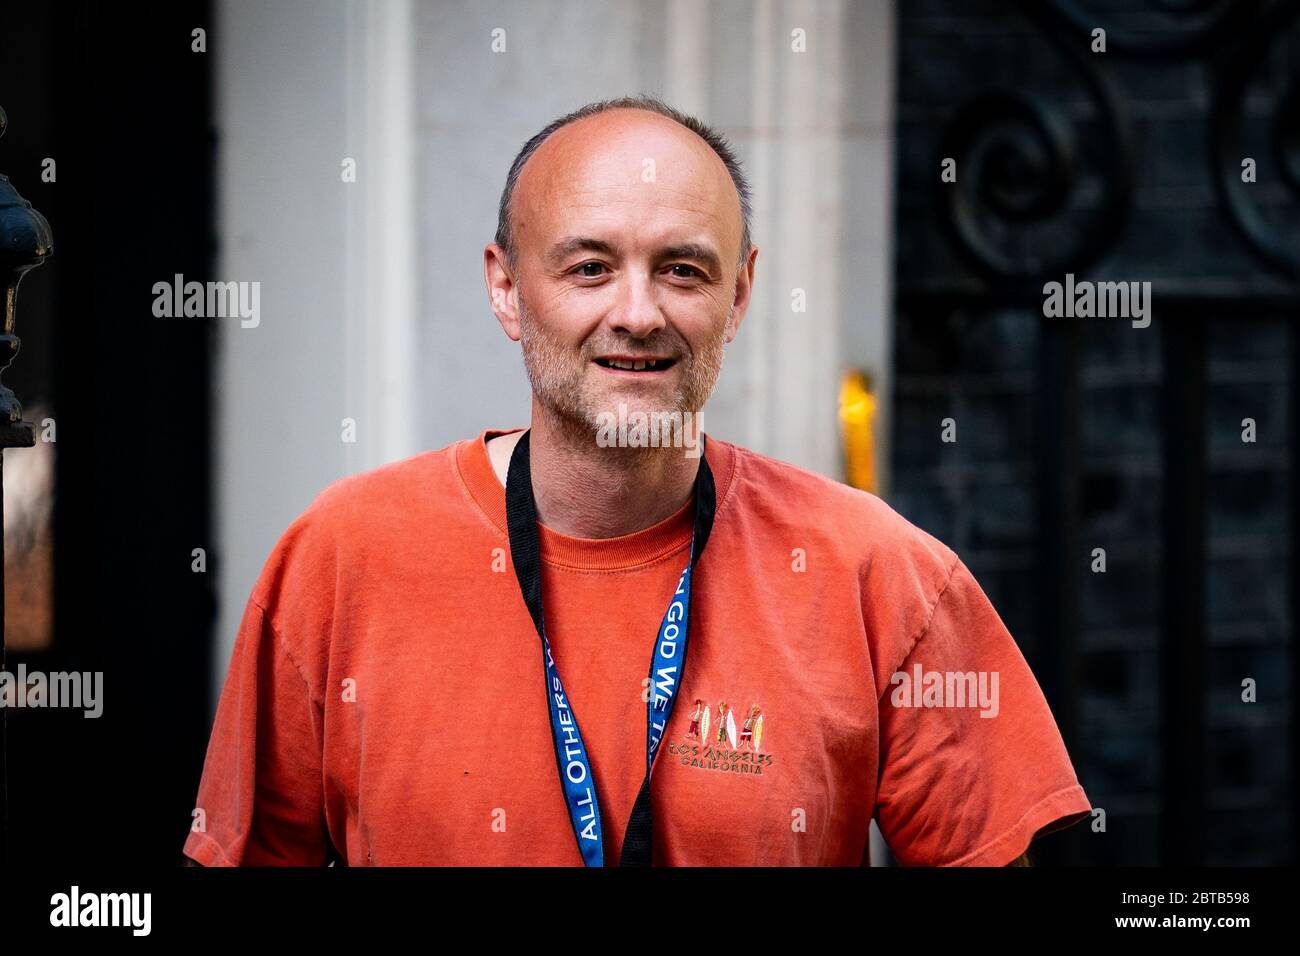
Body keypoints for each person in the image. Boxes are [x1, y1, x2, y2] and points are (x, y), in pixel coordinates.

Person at [182, 95, 1091, 867]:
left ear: (738, 295)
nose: (637, 313)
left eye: (682, 270)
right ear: (505, 288)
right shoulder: (343, 556)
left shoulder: (876, 572)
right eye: (589, 268)